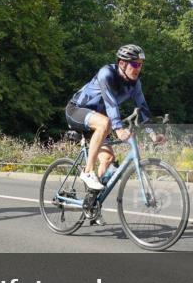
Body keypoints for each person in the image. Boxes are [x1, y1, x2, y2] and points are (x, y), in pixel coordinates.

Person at [65, 44, 163, 225]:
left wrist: (152, 133)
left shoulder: (135, 84)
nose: (138, 68)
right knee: (106, 123)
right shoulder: (106, 73)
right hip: (77, 110)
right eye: (134, 64)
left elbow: (143, 109)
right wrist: (118, 128)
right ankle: (87, 172)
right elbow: (110, 104)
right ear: (122, 63)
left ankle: (92, 203)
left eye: (140, 64)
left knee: (109, 160)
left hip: (98, 124)